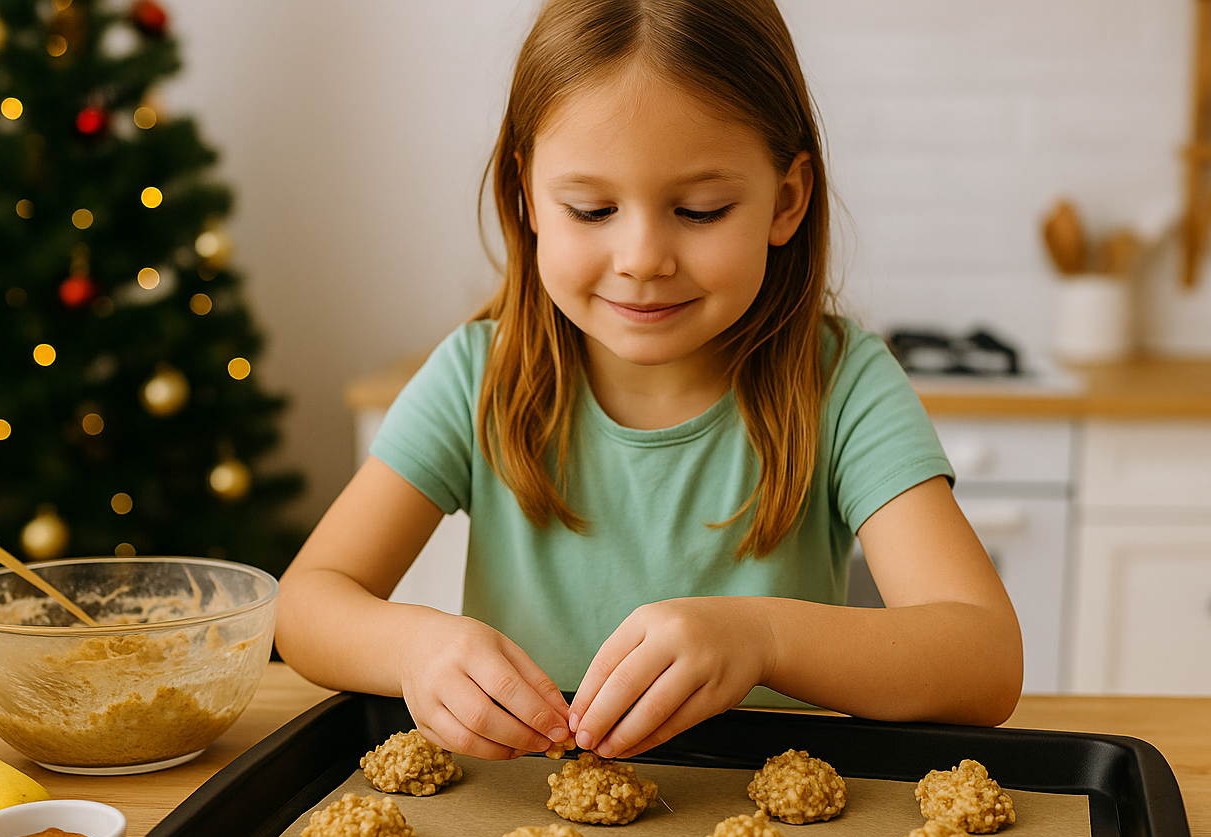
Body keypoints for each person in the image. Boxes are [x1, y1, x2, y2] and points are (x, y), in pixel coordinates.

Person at [275, 0, 1022, 762]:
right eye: (592, 209)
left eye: (700, 211)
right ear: (528, 193)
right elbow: (305, 604)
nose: (641, 257)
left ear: (786, 200)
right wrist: (414, 649)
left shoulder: (843, 385)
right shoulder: (480, 377)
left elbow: (984, 658)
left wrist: (761, 638)